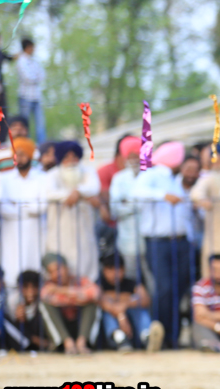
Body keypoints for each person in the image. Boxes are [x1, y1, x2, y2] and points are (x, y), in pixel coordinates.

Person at [132, 142, 197, 348]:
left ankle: (173, 336)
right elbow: (136, 192)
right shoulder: (151, 175)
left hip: (181, 241)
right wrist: (162, 196)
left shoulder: (174, 180)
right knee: (164, 288)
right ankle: (160, 332)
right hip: (158, 242)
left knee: (179, 289)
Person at [43, 141, 100, 283]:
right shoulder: (52, 175)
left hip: (84, 233)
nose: (71, 161)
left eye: (74, 157)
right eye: (66, 157)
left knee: (86, 271)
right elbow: (49, 193)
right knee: (62, 270)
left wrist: (78, 192)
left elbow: (94, 187)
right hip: (60, 233)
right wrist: (70, 195)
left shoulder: (87, 172)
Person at [0, 137, 44, 296]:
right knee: (12, 269)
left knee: (35, 266)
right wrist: (29, 207)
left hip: (35, 231)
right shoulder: (4, 179)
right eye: (16, 154)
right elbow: (3, 208)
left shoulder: (41, 177)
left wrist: (17, 205)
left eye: (23, 154)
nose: (19, 158)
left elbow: (42, 207)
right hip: (11, 233)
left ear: (30, 156)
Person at [190, 144, 220, 280]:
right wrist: (202, 200)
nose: (218, 163)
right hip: (217, 236)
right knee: (215, 272)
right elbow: (196, 192)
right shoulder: (210, 178)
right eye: (215, 160)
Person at [98, 252, 161, 352]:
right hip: (113, 323)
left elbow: (146, 299)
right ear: (104, 270)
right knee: (107, 313)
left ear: (124, 270)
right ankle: (119, 338)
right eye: (110, 269)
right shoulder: (100, 284)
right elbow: (102, 302)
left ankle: (147, 336)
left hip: (131, 323)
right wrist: (121, 314)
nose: (114, 273)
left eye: (118, 269)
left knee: (139, 309)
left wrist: (125, 304)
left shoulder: (131, 283)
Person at [39, 253, 100, 354]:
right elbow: (44, 296)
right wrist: (78, 296)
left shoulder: (81, 280)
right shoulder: (48, 285)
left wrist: (60, 290)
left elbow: (95, 293)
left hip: (79, 325)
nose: (56, 274)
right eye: (51, 272)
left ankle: (82, 344)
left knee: (92, 304)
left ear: (66, 267)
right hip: (64, 327)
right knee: (45, 306)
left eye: (58, 269)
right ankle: (67, 344)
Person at [108, 136, 147, 281]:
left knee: (152, 277)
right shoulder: (119, 179)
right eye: (130, 156)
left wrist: (127, 201)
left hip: (149, 238)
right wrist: (138, 204)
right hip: (128, 239)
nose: (134, 159)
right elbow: (115, 209)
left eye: (137, 155)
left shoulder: (149, 175)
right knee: (132, 278)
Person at [15, 38, 43, 143]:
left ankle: (41, 144)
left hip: (36, 96)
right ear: (27, 48)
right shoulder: (21, 61)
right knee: (25, 124)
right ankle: (26, 144)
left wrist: (34, 77)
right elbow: (27, 78)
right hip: (25, 96)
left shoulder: (34, 61)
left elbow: (42, 75)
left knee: (40, 124)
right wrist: (35, 78)